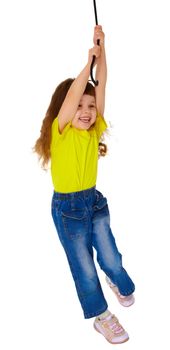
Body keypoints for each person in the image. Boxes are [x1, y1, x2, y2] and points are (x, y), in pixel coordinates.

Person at [34, 25, 135, 345]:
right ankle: (102, 317)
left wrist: (101, 51)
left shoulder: (92, 131)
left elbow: (100, 84)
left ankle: (116, 279)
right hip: (68, 210)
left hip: (93, 201)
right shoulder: (61, 130)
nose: (87, 111)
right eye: (79, 105)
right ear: (65, 108)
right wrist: (85, 63)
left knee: (111, 258)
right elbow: (80, 91)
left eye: (91, 107)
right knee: (84, 268)